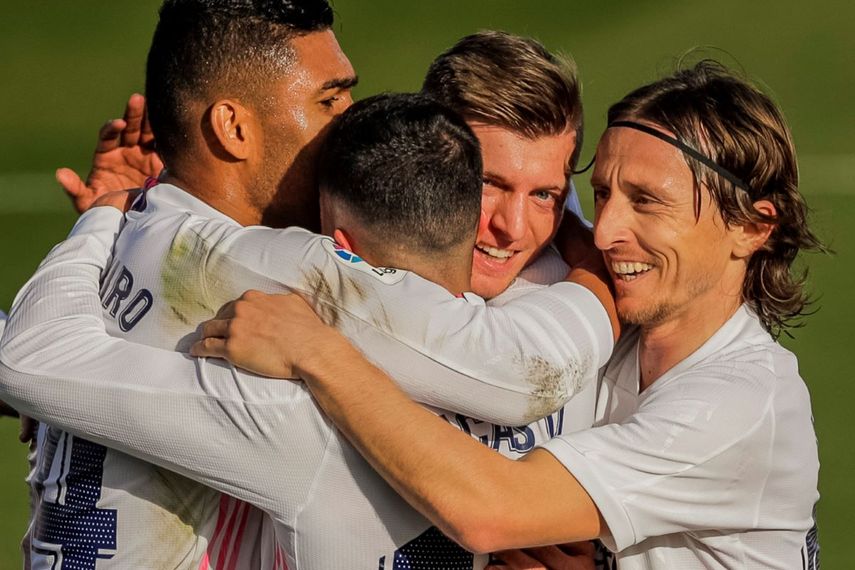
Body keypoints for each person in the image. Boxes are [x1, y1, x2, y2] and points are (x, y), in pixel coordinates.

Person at [191, 61, 824, 569]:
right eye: (603, 194)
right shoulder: (617, 330)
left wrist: (315, 353)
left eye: (646, 203)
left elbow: (489, 510)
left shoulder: (741, 404)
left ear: (751, 226)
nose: (606, 232)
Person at [18, 27, 611, 567]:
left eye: (546, 195)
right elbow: (514, 372)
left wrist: (130, 223)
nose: (512, 226)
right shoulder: (286, 330)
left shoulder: (287, 320)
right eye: (488, 185)